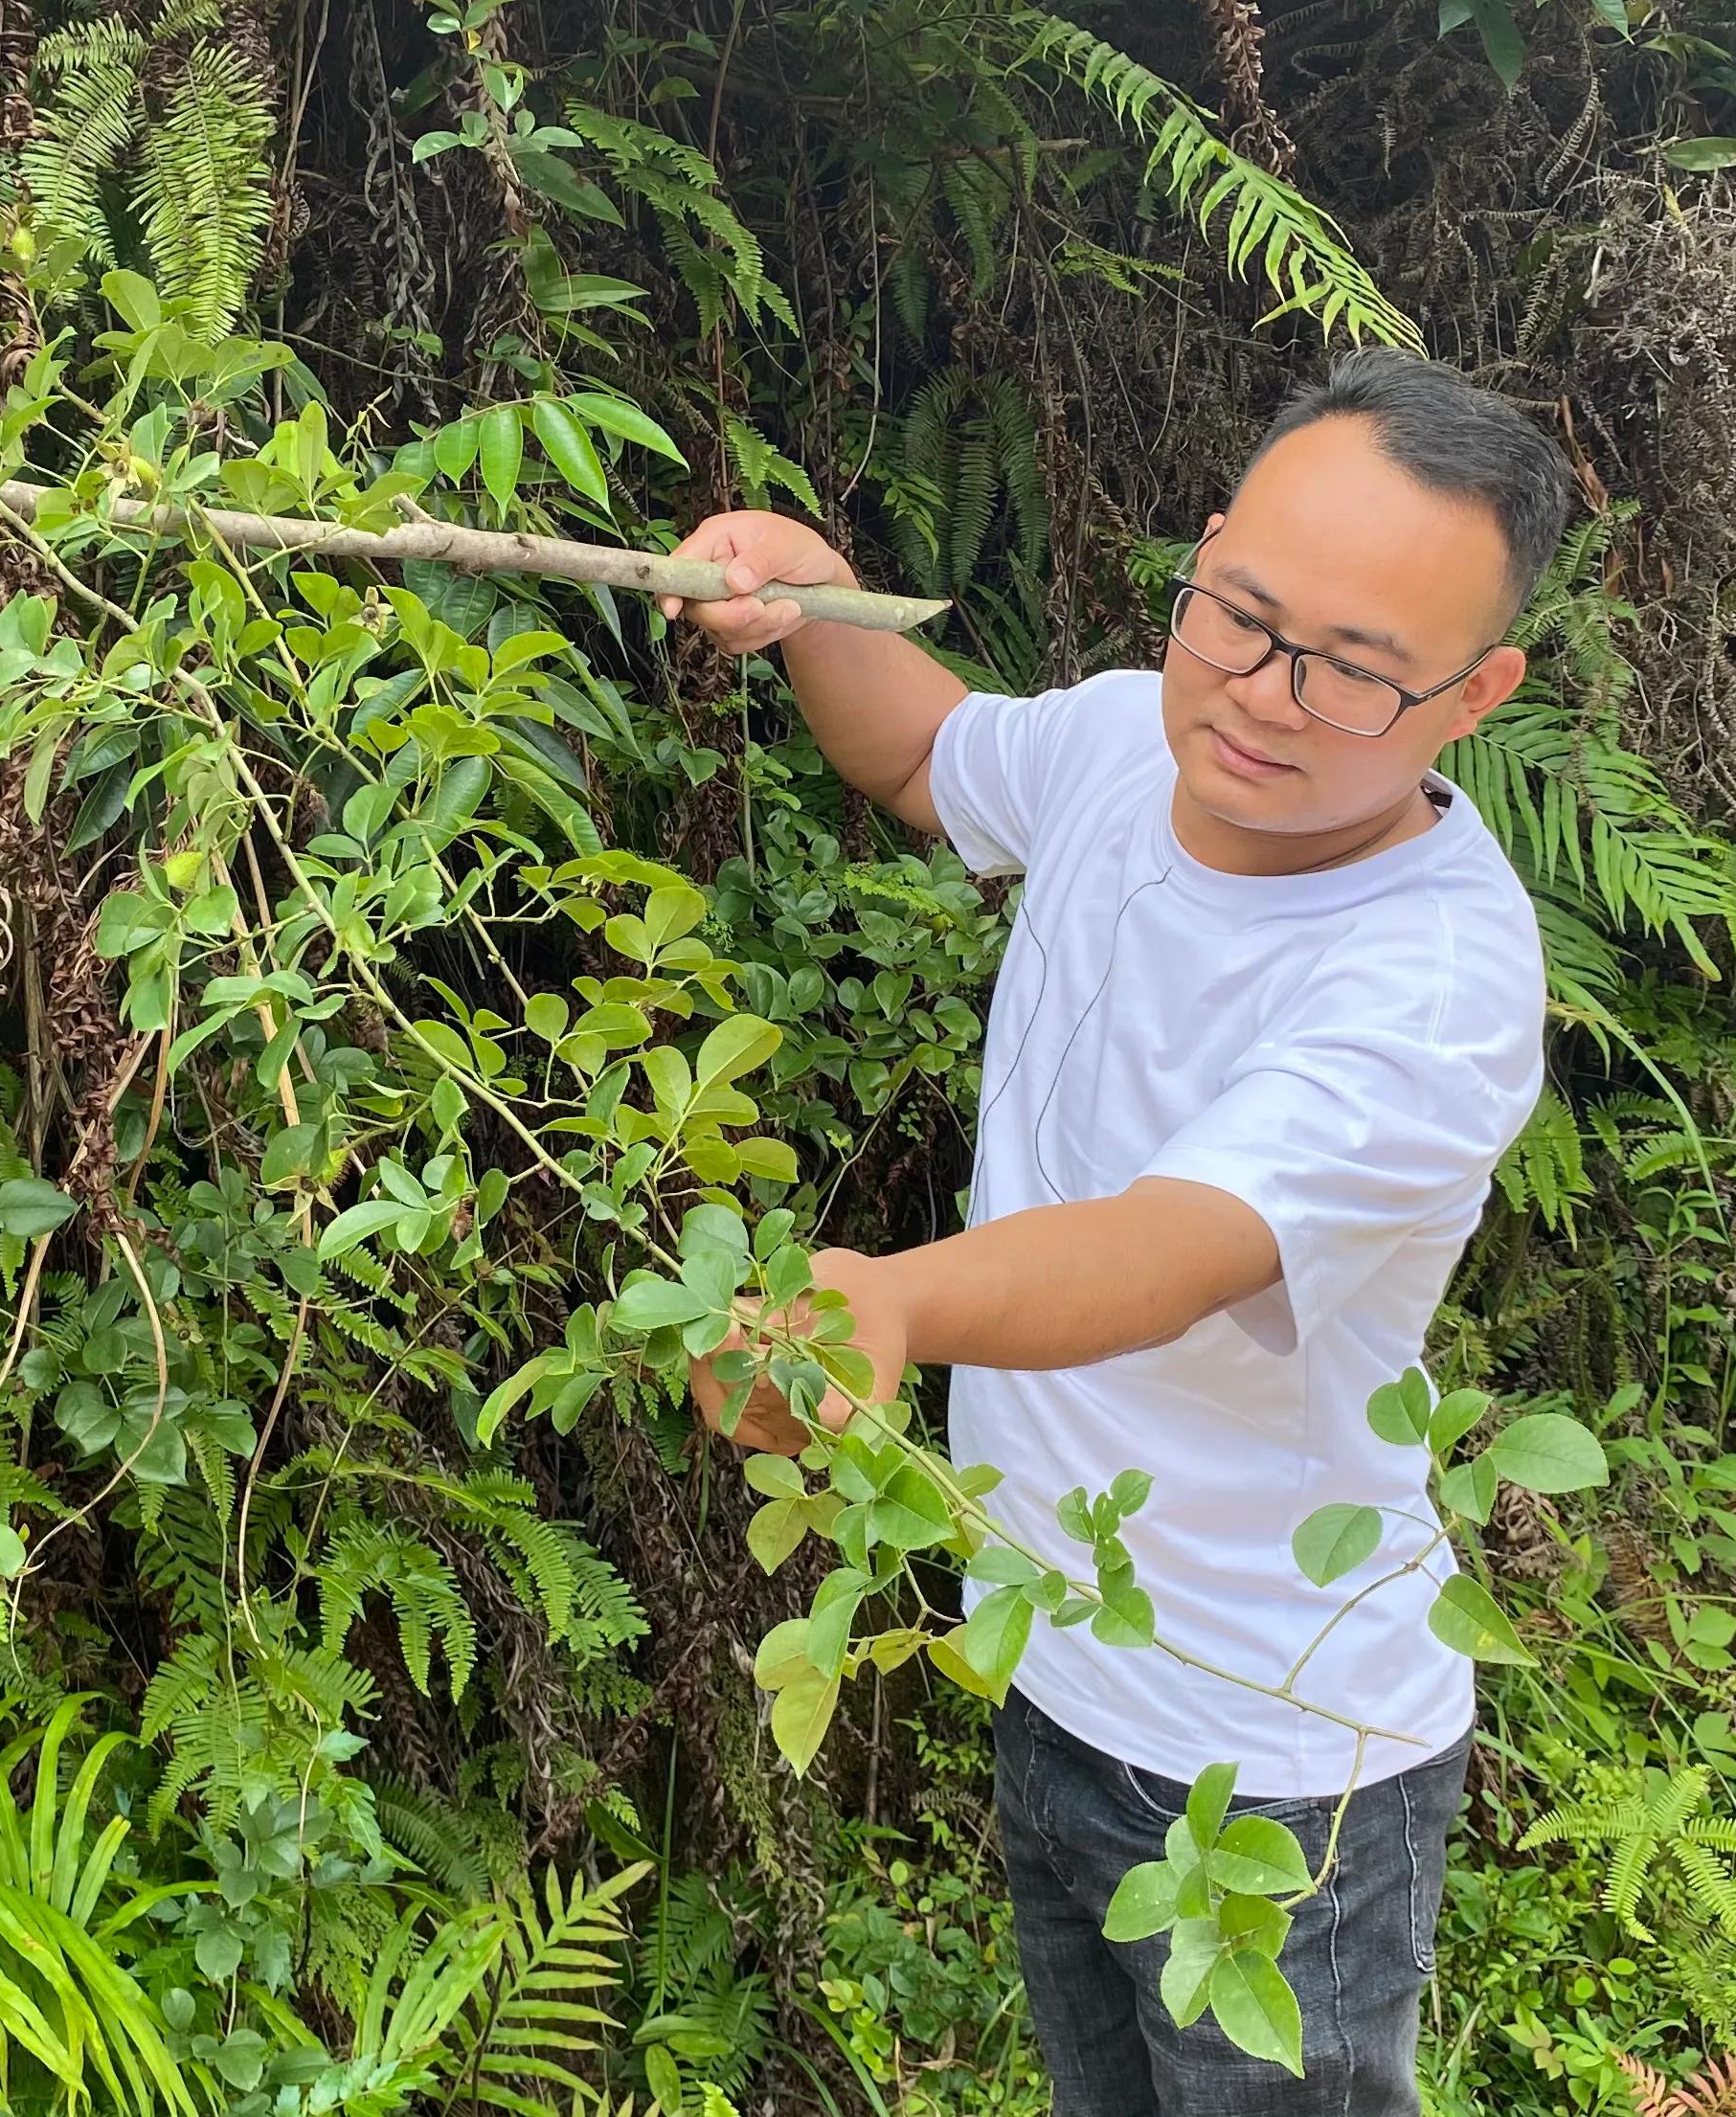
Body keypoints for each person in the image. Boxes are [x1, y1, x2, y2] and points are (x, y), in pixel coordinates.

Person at [656, 349, 1567, 2117]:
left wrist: (896, 1305)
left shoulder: (1434, 980)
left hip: (1283, 1767)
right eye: (1240, 614)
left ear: (1477, 695)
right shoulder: (1116, 743)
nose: (1266, 696)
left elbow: (1172, 1242)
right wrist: (808, 593)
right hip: (1051, 1651)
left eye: (1358, 672)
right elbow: (930, 752)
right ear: (1209, 551)